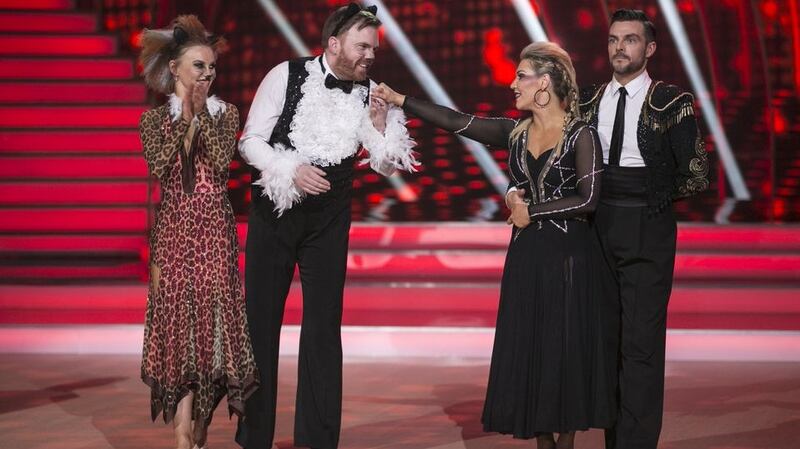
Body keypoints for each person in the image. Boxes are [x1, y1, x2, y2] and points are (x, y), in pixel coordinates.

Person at [373, 41, 613, 449]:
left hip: (570, 260)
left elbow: (588, 200)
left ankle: (567, 441)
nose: (511, 83)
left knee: (564, 349)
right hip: (526, 259)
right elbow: (457, 121)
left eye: (521, 75)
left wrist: (530, 210)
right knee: (531, 346)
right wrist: (401, 100)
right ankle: (544, 442)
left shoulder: (581, 134)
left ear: (546, 82)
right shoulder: (514, 133)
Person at [235, 3, 417, 449]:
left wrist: (379, 127)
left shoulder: (373, 93)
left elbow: (388, 168)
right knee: (261, 324)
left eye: (373, 48)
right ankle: (254, 436)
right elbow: (249, 142)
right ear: (333, 44)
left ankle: (317, 439)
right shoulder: (286, 75)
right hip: (276, 213)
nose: (370, 56)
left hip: (329, 220)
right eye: (362, 46)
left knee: (322, 328)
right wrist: (289, 168)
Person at [578, 9, 709, 449]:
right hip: (598, 223)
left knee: (641, 345)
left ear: (649, 48)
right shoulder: (589, 100)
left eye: (630, 40)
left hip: (646, 224)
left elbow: (695, 173)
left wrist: (649, 196)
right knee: (607, 342)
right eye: (614, 39)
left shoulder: (672, 101)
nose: (620, 47)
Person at [138, 15, 259, 449]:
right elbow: (161, 164)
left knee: (212, 327)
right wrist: (184, 113)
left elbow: (223, 157)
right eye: (199, 67)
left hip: (213, 231)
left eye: (211, 68)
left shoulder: (226, 113)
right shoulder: (153, 121)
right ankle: (181, 429)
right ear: (175, 69)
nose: (207, 74)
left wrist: (201, 110)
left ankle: (203, 417)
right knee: (178, 328)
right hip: (172, 232)